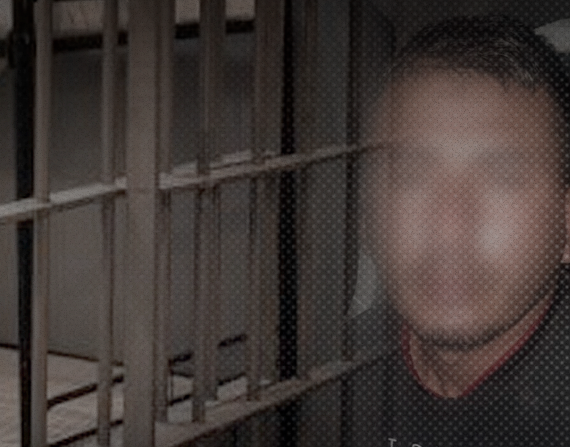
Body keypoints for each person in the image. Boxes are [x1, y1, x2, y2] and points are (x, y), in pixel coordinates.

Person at [347, 15, 570, 447]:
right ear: (366, 217)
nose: (448, 229)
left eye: (503, 177)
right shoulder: (319, 374)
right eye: (409, 175)